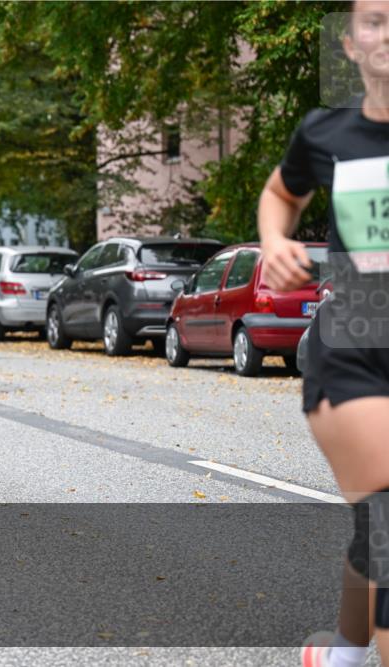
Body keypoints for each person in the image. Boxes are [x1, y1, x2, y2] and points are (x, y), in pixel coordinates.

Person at [256, 4, 389, 666]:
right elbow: (280, 194)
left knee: (376, 527)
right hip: (354, 348)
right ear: (350, 43)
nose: (388, 32)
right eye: (374, 20)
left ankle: (342, 652)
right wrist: (274, 239)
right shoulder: (326, 133)